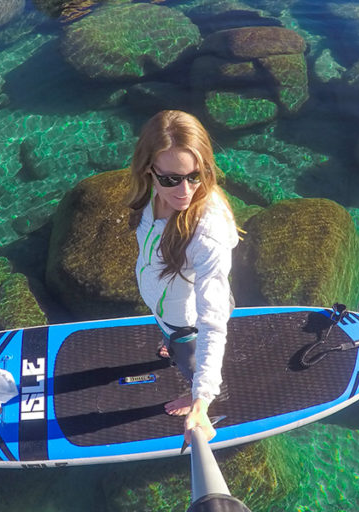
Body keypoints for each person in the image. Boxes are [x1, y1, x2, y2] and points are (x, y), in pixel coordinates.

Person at [124, 110, 239, 444]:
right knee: (172, 339)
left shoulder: (206, 233)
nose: (185, 191)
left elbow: (212, 323)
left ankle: (197, 394)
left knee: (188, 359)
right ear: (149, 170)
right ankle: (170, 340)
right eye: (171, 179)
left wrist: (201, 401)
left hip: (189, 325)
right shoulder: (148, 197)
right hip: (167, 312)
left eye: (195, 175)